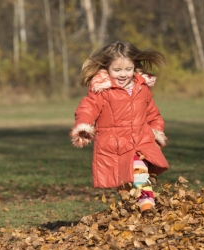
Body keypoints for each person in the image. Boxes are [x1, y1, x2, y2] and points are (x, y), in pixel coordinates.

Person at [70, 41, 169, 217]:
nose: (123, 74)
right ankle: (133, 209)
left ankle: (147, 208)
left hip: (140, 141)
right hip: (115, 145)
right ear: (106, 68)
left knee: (139, 171)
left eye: (128, 69)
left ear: (134, 67)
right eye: (117, 70)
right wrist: (84, 125)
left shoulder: (142, 88)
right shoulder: (102, 91)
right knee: (125, 184)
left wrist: (156, 130)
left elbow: (152, 113)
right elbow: (88, 108)